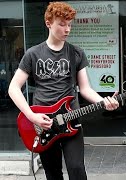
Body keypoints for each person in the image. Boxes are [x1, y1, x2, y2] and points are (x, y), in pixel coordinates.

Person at [8, 2, 119, 180]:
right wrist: (31, 116)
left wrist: (103, 101)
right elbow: (13, 88)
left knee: (77, 170)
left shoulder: (76, 53)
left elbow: (85, 89)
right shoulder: (33, 54)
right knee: (53, 174)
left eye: (69, 25)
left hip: (71, 121)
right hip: (43, 124)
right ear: (48, 23)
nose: (67, 29)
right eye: (62, 24)